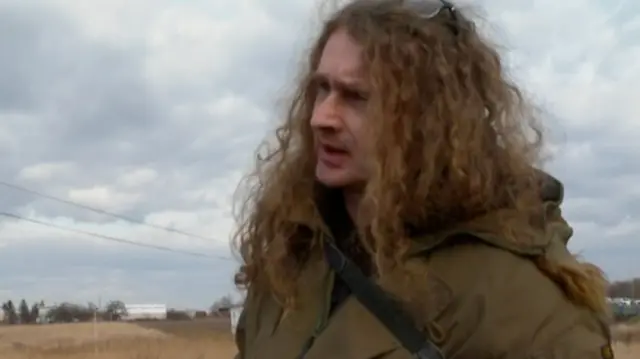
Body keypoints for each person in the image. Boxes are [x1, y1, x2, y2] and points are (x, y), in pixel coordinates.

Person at [231, 0, 614, 358]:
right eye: (323, 89)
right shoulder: (291, 257)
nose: (322, 118)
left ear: (429, 119)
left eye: (356, 96)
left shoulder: (524, 307)